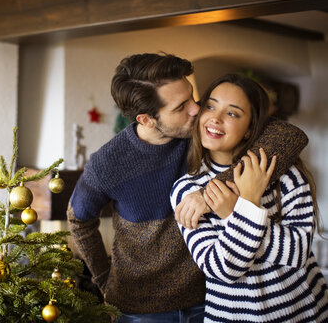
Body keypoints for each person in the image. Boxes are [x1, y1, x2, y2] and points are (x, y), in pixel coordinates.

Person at [67, 53, 308, 323]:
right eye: (181, 106)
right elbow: (79, 220)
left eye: (193, 97)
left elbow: (290, 135)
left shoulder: (202, 134)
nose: (196, 109)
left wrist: (211, 191)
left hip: (210, 299)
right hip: (141, 310)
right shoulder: (107, 164)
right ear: (146, 119)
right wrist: (104, 281)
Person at [170, 73, 328, 322]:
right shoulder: (188, 190)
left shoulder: (286, 174)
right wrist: (247, 207)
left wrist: (236, 211)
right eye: (210, 106)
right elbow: (222, 269)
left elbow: (297, 252)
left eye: (232, 113)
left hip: (303, 313)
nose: (215, 118)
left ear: (249, 129)